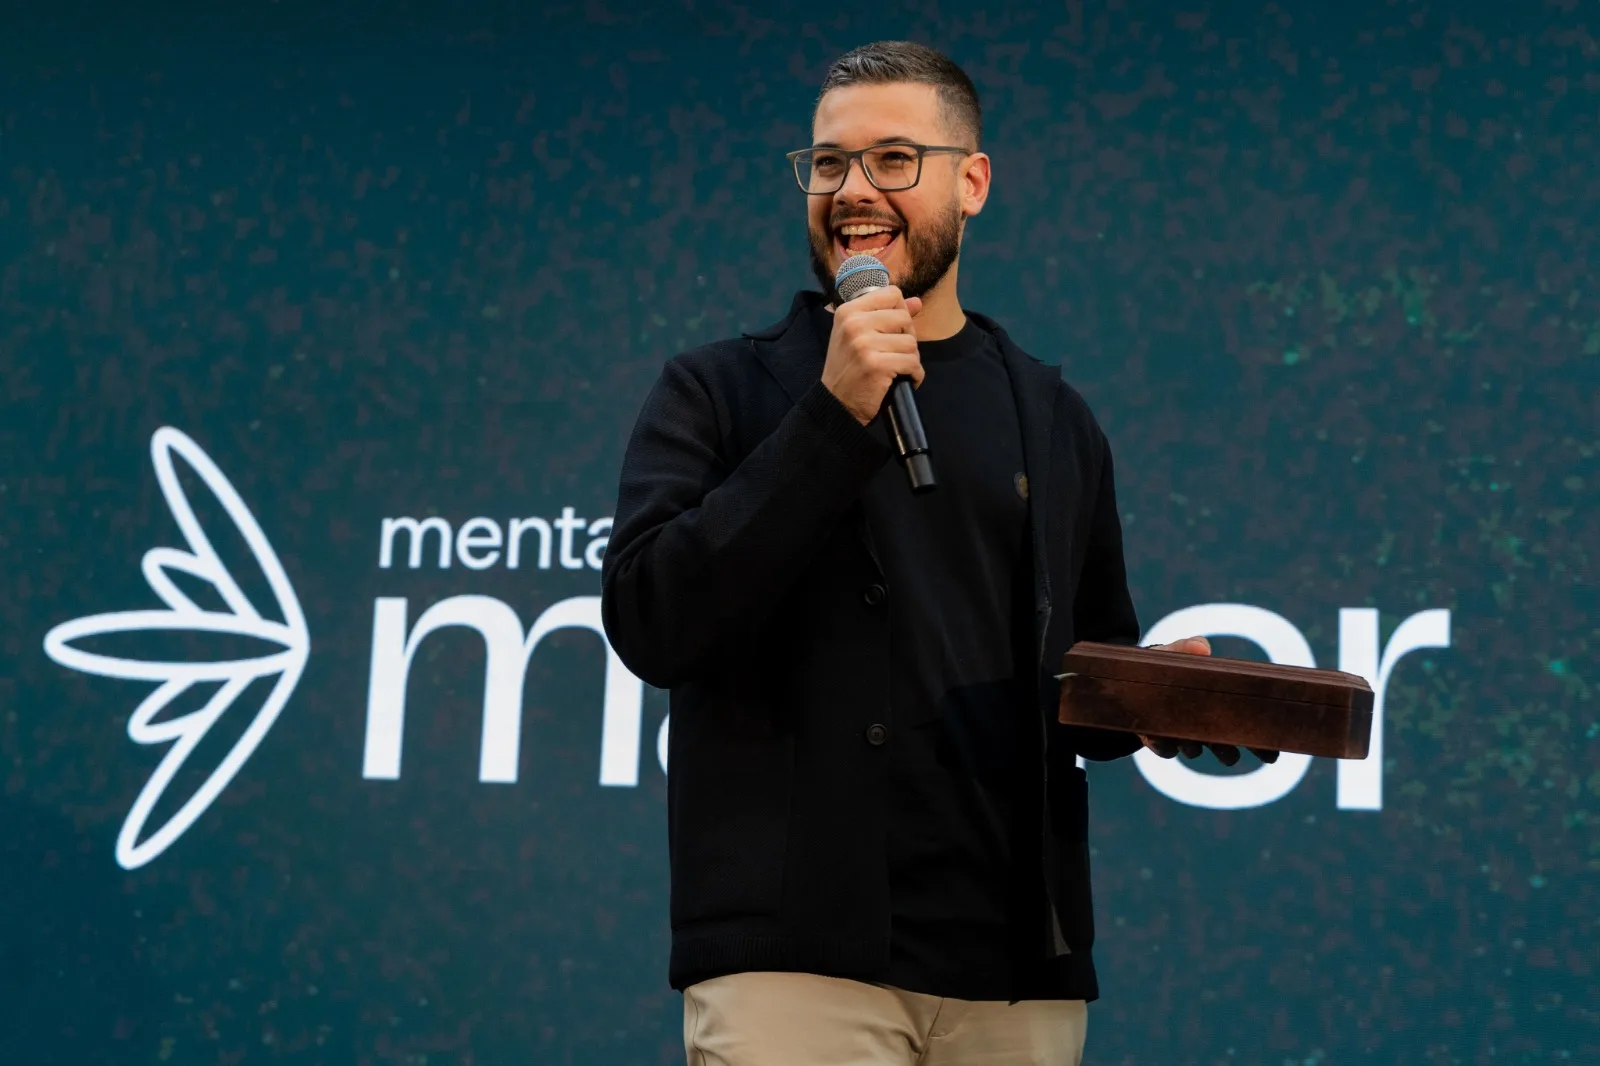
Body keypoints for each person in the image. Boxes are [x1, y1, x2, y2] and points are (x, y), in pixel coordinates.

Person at [601, 40, 1276, 1066]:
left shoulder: (1050, 414)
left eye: (891, 159)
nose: (851, 191)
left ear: (972, 182)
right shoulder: (716, 391)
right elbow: (654, 618)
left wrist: (1153, 700)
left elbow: (1079, 676)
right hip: (796, 962)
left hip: (1012, 972)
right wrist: (833, 416)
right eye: (827, 164)